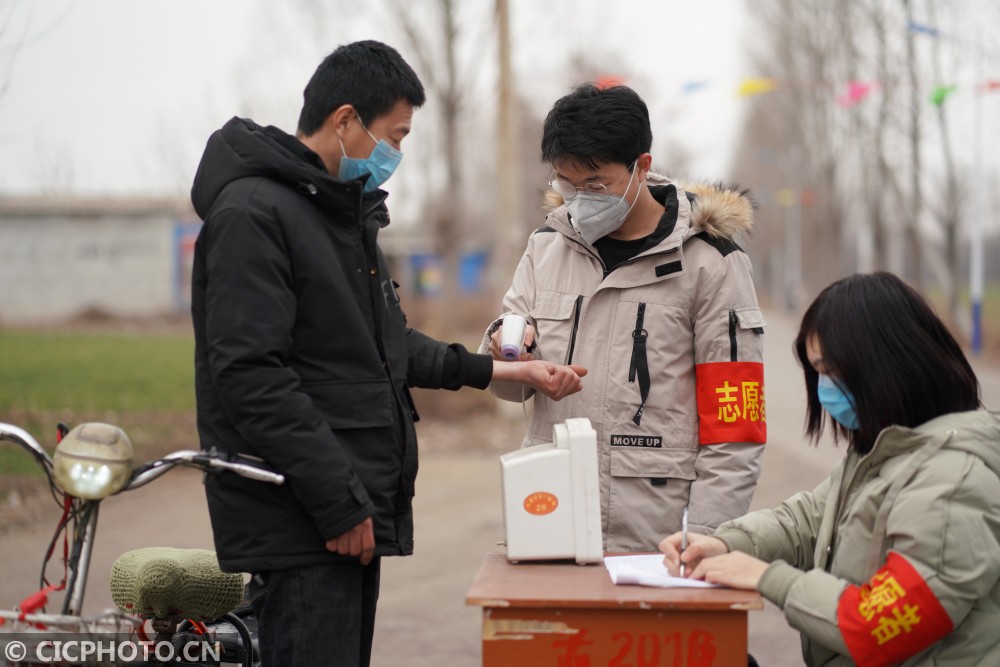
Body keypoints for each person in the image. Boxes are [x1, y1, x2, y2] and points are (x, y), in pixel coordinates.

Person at [189, 40, 586, 667]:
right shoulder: (253, 215)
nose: (397, 154)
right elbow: (251, 376)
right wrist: (339, 501)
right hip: (303, 520)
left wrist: (501, 370)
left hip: (342, 515)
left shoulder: (339, 216)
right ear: (345, 120)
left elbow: (385, 347)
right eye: (394, 137)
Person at [480, 83, 766, 551]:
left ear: (642, 167)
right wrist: (504, 350)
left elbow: (736, 428)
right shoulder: (545, 248)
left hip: (657, 538)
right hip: (550, 519)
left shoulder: (709, 264)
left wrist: (708, 538)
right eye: (565, 184)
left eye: (596, 185)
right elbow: (507, 386)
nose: (580, 200)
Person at [660, 272, 1000, 666]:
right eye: (817, 372)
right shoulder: (885, 451)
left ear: (888, 364)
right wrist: (726, 544)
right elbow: (807, 521)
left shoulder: (954, 481)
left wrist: (766, 578)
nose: (824, 390)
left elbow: (878, 625)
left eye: (831, 371)